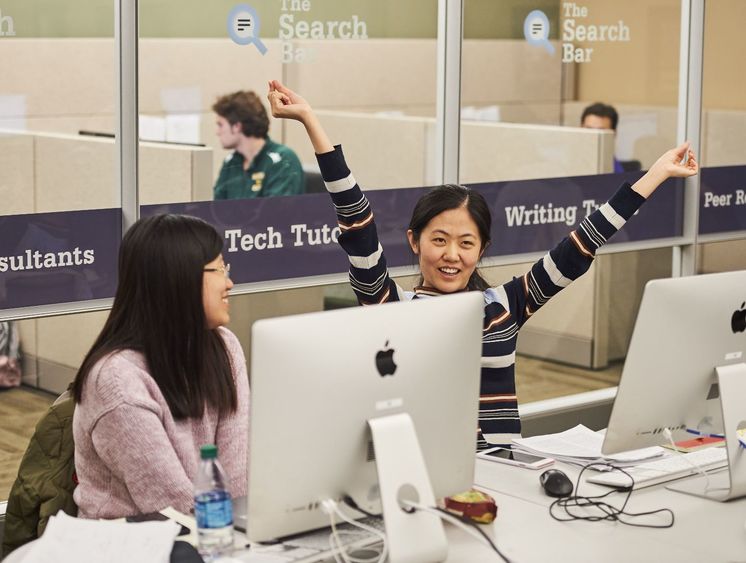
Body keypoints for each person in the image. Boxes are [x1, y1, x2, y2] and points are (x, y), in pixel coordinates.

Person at [267, 79, 698, 450]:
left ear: (482, 249)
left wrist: (655, 174)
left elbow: (583, 243)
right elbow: (356, 222)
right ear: (415, 242)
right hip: (426, 474)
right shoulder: (389, 307)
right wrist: (311, 123)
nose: (452, 255)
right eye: (439, 240)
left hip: (507, 475)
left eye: (465, 243)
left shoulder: (504, 306)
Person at [71, 214, 249, 518]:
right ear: (179, 278)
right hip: (130, 543)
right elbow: (170, 503)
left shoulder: (224, 347)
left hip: (213, 535)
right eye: (219, 269)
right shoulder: (116, 379)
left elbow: (237, 477)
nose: (229, 283)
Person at [212, 90, 305, 199]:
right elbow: (217, 210)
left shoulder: (283, 160)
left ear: (237, 126)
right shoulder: (231, 162)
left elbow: (277, 212)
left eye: (220, 125)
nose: (217, 132)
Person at [580, 102, 629, 173]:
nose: (594, 138)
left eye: (600, 132)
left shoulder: (616, 172)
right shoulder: (564, 161)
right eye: (589, 130)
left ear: (614, 134)